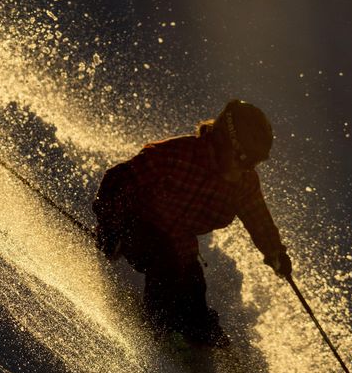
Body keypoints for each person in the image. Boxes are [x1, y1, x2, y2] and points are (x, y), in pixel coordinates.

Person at [92, 99, 292, 348]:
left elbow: (258, 218)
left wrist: (275, 253)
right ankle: (159, 332)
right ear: (223, 141)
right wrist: (110, 226)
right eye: (242, 158)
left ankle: (201, 338)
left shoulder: (244, 183)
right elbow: (117, 180)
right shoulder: (178, 154)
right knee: (165, 262)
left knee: (193, 289)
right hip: (136, 225)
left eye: (253, 163)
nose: (246, 168)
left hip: (179, 242)